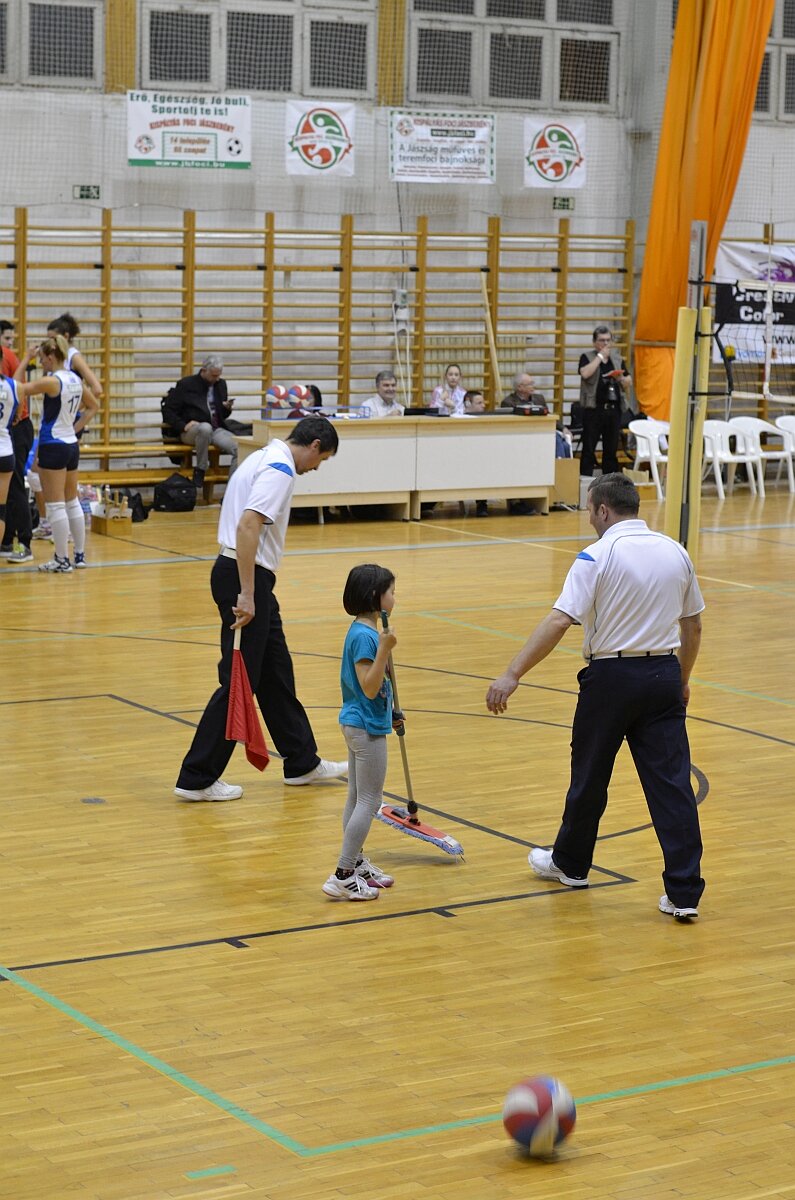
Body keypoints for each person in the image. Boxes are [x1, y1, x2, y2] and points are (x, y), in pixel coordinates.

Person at [486, 473, 705, 922]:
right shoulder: (675, 551)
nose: (589, 519)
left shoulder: (597, 555)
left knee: (589, 777)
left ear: (603, 509)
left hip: (611, 679)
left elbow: (558, 620)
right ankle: (684, 893)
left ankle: (571, 865)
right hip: (664, 674)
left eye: (589, 510)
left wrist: (513, 673)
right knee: (672, 786)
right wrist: (681, 678)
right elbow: (693, 625)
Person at [174, 416, 348, 801]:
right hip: (244, 576)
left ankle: (301, 761)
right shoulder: (280, 468)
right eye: (322, 459)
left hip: (248, 576)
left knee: (275, 671)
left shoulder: (262, 456)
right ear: (314, 445)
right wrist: (248, 593)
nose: (316, 468)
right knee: (239, 681)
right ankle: (196, 777)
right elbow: (248, 526)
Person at [322, 563, 398, 901]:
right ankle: (342, 874)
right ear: (375, 596)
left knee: (356, 798)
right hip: (365, 727)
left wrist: (393, 711)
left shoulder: (362, 631)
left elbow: (378, 686)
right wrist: (384, 650)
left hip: (360, 722)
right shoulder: (367, 638)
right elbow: (369, 686)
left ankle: (356, 863)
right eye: (391, 591)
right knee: (370, 800)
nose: (395, 597)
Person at [13, 336, 98, 573]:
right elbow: (93, 406)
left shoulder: (53, 381)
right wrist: (74, 428)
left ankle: (61, 559)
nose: (41, 363)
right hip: (70, 444)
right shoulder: (75, 379)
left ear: (51, 357)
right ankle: (79, 555)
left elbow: (16, 386)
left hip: (53, 444)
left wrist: (25, 359)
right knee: (72, 501)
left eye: (42, 359)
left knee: (56, 505)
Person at [162, 354, 240, 487]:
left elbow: (222, 415)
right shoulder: (186, 384)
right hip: (192, 431)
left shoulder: (220, 384)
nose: (217, 379)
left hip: (216, 429)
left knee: (240, 448)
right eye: (214, 375)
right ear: (204, 371)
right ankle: (201, 469)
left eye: (219, 375)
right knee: (205, 428)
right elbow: (168, 411)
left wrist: (226, 408)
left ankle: (232, 490)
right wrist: (182, 425)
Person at [577, 325, 632, 477]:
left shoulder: (617, 358)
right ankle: (585, 482)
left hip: (613, 410)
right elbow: (585, 373)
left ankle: (610, 482)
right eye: (602, 340)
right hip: (594, 409)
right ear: (594, 342)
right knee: (588, 449)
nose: (606, 343)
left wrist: (620, 378)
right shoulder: (587, 357)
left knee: (611, 450)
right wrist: (600, 357)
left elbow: (628, 381)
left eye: (608, 340)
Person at [0, 322, 33, 563]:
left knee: (16, 488)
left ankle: (24, 540)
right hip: (10, 430)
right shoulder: (12, 381)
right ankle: (7, 540)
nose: (11, 343)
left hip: (17, 430)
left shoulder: (9, 356)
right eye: (7, 338)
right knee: (5, 498)